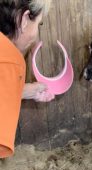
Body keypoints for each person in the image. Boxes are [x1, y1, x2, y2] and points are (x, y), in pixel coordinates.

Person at [0, 0, 54, 158]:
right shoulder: (10, 61)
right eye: (39, 23)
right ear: (24, 20)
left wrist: (23, 91)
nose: (36, 36)